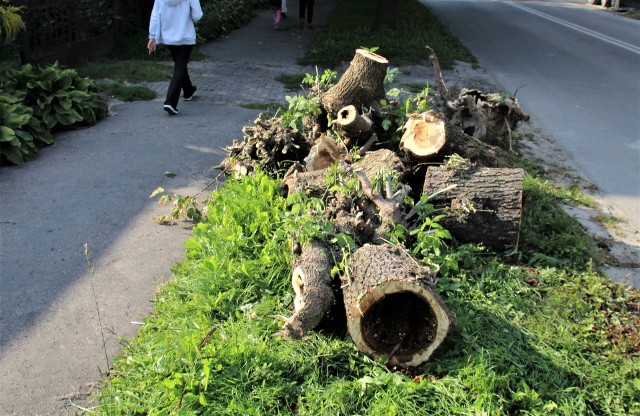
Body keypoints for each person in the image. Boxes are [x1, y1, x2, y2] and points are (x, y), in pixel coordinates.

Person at [147, 0, 203, 115]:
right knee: (180, 66)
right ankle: (170, 102)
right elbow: (197, 16)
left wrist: (152, 37)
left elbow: (155, 15)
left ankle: (188, 91)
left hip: (168, 36)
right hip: (185, 36)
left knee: (180, 64)